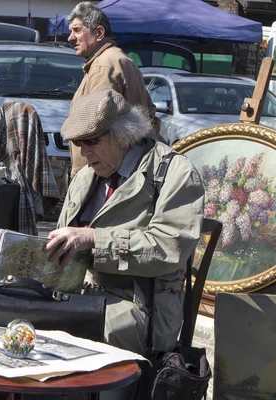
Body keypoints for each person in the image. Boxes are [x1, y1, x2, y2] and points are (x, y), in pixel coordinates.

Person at [45, 89, 204, 357]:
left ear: (122, 134)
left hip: (141, 305)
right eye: (77, 143)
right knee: (21, 317)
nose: (83, 151)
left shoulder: (174, 172)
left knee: (72, 331)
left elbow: (169, 248)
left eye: (91, 141)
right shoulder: (86, 177)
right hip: (83, 296)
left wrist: (95, 238)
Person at [65, 2, 159, 178]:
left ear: (99, 33)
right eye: (71, 31)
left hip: (104, 174)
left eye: (77, 30)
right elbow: (151, 114)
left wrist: (87, 180)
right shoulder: (120, 59)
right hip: (126, 167)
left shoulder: (104, 64)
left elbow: (95, 126)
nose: (71, 38)